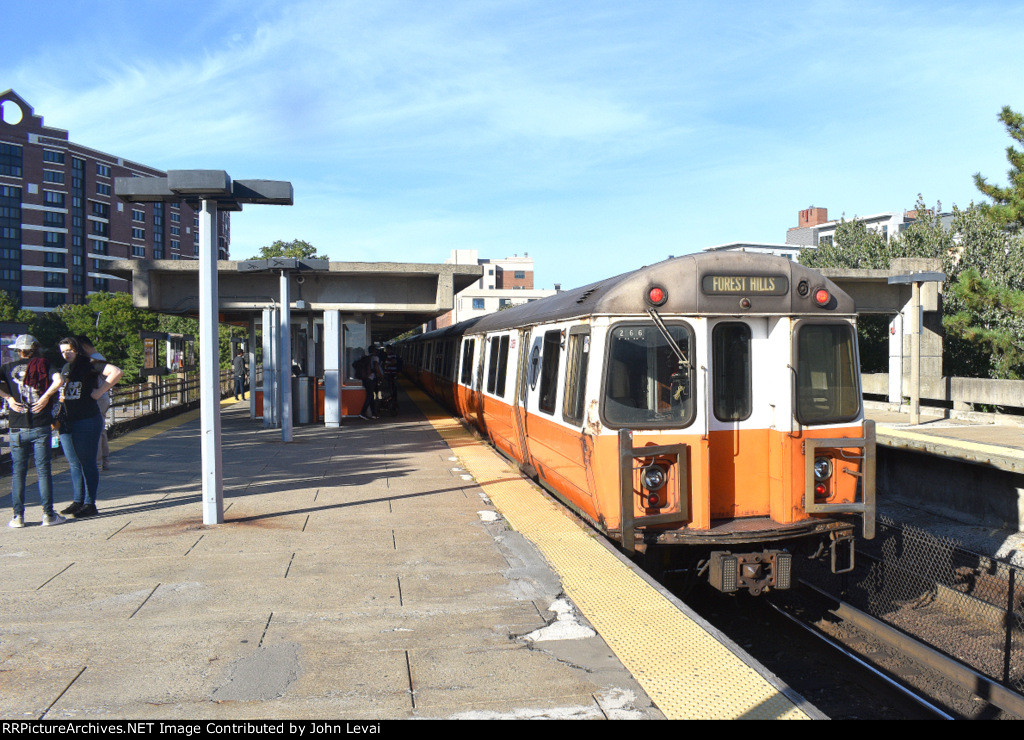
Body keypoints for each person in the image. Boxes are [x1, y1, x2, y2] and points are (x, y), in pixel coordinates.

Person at [1, 335, 65, 528]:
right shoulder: (44, 364)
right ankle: (48, 515)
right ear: (35, 349)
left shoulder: (7, 368)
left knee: (18, 472)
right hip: (40, 424)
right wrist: (45, 397)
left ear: (18, 351)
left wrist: (9, 399)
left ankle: (18, 517)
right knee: (43, 471)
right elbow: (59, 380)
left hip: (17, 425)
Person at [57, 337, 122, 519]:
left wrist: (99, 392)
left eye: (69, 350)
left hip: (87, 419)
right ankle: (78, 500)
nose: (66, 354)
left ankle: (89, 503)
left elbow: (116, 372)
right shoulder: (66, 368)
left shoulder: (90, 363)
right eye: (62, 351)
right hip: (68, 420)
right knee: (73, 462)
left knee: (87, 462)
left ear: (77, 349)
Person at [76, 336, 111, 470]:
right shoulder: (99, 357)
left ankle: (96, 461)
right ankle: (104, 460)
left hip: (97, 397)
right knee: (100, 430)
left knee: (95, 430)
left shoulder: (94, 360)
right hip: (103, 397)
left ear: (84, 346)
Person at [358, 347, 383, 420]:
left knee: (371, 396)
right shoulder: (375, 358)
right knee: (369, 396)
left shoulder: (366, 358)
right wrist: (381, 376)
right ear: (374, 350)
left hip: (365, 379)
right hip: (371, 379)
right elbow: (376, 367)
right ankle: (362, 413)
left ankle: (374, 414)